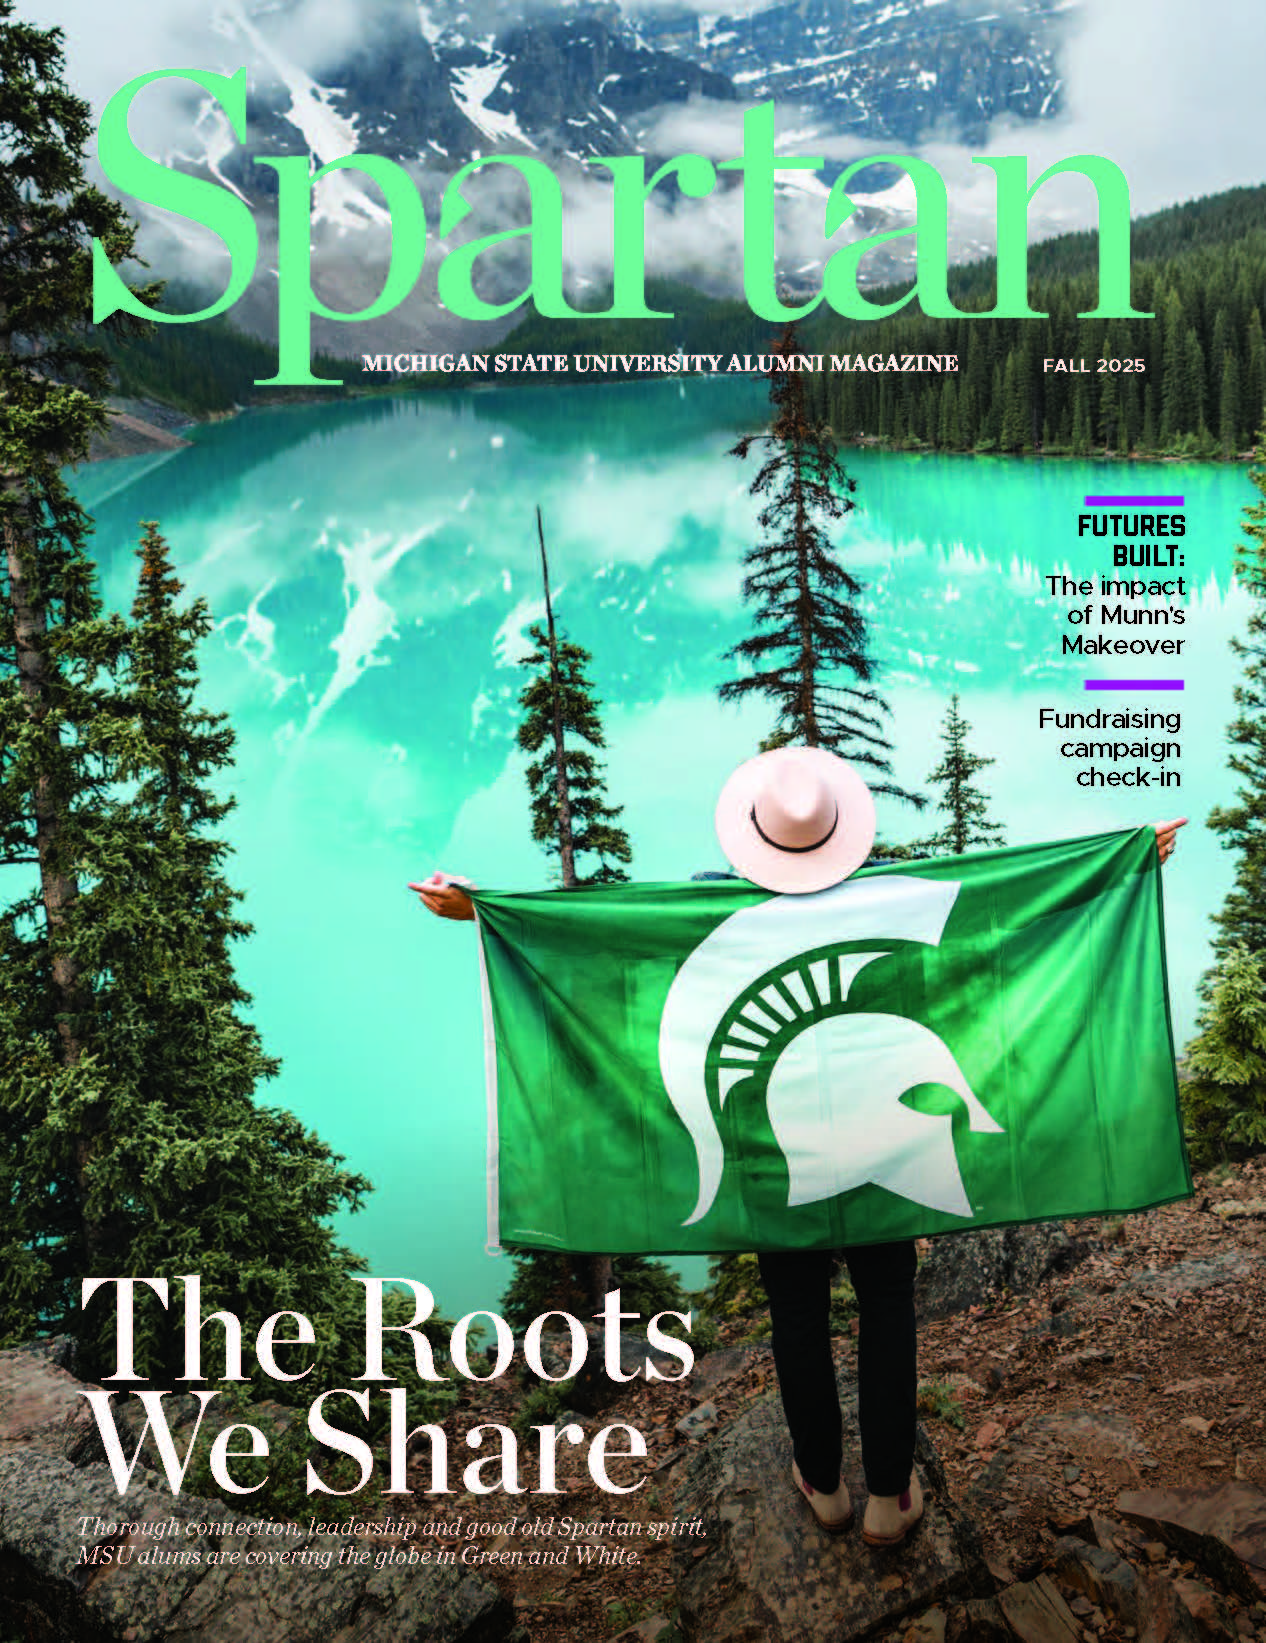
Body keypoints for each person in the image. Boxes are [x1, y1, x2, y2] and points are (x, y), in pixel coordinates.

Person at [413, 749, 1186, 1548]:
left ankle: (822, 1482)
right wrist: (1125, 861)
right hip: (884, 1143)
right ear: (839, 832)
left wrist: (481, 908)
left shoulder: (715, 904)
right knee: (888, 1305)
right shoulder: (884, 893)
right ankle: (890, 1494)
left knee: (797, 1314)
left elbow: (608, 926)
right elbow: (1007, 907)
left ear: (754, 833)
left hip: (773, 1155)